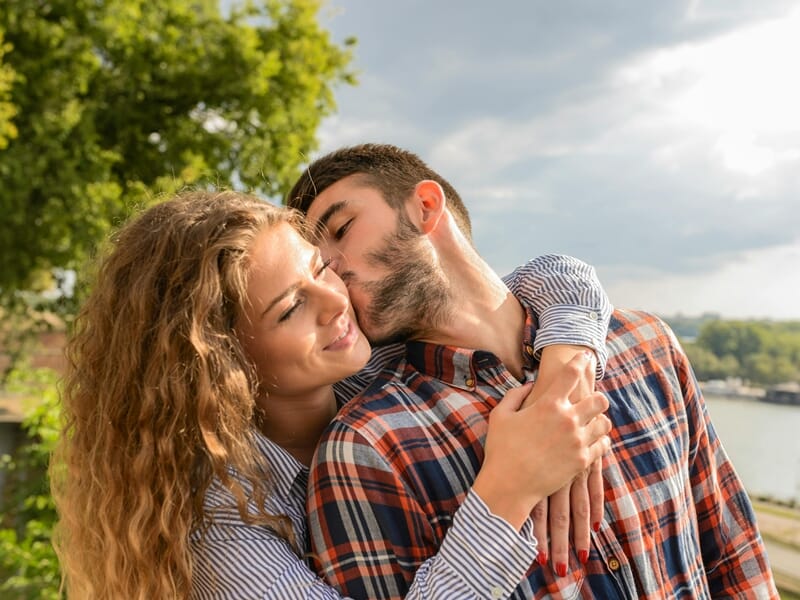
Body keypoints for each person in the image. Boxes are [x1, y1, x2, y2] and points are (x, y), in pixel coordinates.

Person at [50, 190, 613, 599]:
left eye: (321, 269)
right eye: (292, 308)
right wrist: (507, 491)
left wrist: (564, 377)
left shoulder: (369, 364)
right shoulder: (219, 523)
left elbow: (552, 278)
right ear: (221, 363)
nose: (337, 301)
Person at [287, 143, 779, 599]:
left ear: (426, 207)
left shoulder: (647, 344)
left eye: (342, 229)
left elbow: (734, 558)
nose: (331, 268)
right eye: (317, 264)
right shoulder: (364, 448)